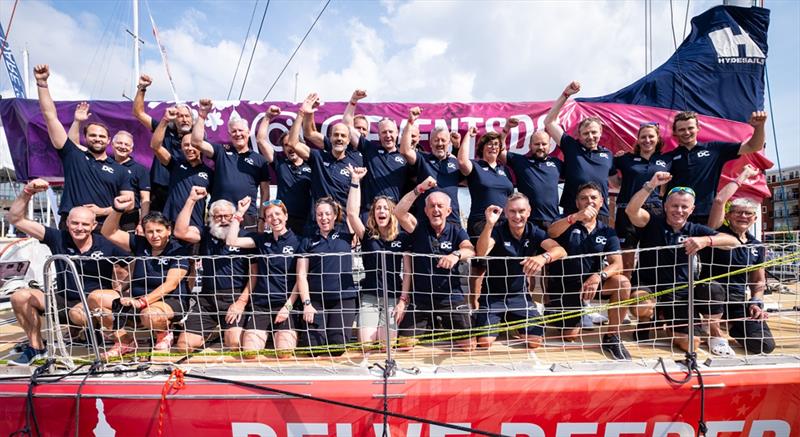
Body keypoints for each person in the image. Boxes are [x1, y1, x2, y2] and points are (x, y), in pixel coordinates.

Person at [7, 179, 126, 365]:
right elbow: (16, 219)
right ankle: (36, 348)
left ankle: (97, 333)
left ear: (94, 226)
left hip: (93, 304)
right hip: (63, 300)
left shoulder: (106, 242)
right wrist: (27, 192)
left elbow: (133, 262)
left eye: (85, 225)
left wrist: (124, 290)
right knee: (19, 297)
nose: (79, 228)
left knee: (79, 314)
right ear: (67, 223)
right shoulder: (57, 237)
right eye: (75, 223)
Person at [625, 171, 740, 352]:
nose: (679, 210)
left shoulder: (696, 229)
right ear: (665, 206)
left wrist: (705, 241)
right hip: (648, 285)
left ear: (691, 209)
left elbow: (733, 241)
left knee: (690, 345)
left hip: (680, 293)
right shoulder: (652, 222)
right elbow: (631, 210)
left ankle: (667, 320)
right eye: (675, 206)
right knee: (641, 306)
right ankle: (646, 321)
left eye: (684, 207)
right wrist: (651, 185)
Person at [34, 64, 133, 228]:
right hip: (71, 225)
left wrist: (101, 211)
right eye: (93, 135)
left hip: (105, 227)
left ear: (109, 140)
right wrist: (42, 84)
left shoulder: (121, 170)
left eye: (102, 136)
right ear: (85, 137)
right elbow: (50, 116)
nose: (97, 139)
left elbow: (129, 204)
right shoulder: (73, 156)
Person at [546, 182, 632, 360]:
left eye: (593, 198)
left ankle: (612, 337)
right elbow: (552, 232)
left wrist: (598, 275)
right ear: (577, 203)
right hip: (565, 286)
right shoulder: (566, 221)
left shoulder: (607, 231)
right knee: (569, 336)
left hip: (592, 284)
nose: (589, 202)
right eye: (584, 198)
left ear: (601, 202)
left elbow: (618, 264)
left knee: (622, 282)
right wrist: (575, 217)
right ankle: (571, 312)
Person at [98, 199, 191, 358]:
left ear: (168, 230)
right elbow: (108, 232)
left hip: (168, 301)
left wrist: (142, 302)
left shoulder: (178, 250)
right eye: (150, 231)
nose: (154, 236)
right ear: (144, 232)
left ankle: (164, 335)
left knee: (149, 314)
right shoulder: (140, 243)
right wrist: (117, 209)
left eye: (159, 230)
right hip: (136, 300)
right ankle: (125, 342)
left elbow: (171, 284)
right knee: (96, 299)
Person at [698, 165, 774, 355]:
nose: (743, 216)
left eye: (748, 213)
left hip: (738, 301)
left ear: (755, 218)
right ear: (729, 216)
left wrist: (756, 302)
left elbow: (758, 281)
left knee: (763, 346)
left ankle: (731, 325)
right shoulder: (717, 232)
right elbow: (718, 201)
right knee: (712, 288)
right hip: (709, 294)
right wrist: (744, 175)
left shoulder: (757, 246)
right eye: (738, 212)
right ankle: (714, 333)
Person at [394, 178, 477, 351]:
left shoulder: (456, 230)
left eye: (440, 206)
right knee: (404, 346)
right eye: (432, 206)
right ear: (425, 210)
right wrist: (419, 189)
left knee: (468, 346)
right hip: (422, 299)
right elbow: (399, 212)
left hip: (451, 298)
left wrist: (456, 255)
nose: (436, 210)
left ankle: (442, 324)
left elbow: (470, 250)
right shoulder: (418, 228)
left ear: (448, 210)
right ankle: (430, 325)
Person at [474, 194, 567, 349]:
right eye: (512, 211)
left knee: (534, 342)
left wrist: (542, 258)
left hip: (519, 297)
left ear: (529, 212)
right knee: (485, 343)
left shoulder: (534, 231)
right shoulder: (497, 231)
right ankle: (500, 320)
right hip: (493, 297)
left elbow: (561, 250)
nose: (517, 216)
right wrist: (489, 225)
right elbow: (481, 252)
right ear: (506, 212)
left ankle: (511, 320)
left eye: (521, 211)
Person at [172, 187, 255, 353]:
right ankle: (209, 340)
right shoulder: (205, 234)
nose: (223, 220)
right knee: (183, 346)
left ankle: (222, 335)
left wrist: (241, 303)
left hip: (235, 297)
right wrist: (191, 200)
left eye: (227, 216)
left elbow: (255, 275)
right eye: (218, 216)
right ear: (211, 218)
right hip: (207, 299)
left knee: (235, 344)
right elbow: (180, 232)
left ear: (235, 217)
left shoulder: (245, 236)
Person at [226, 196, 302, 357]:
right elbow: (231, 240)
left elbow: (300, 279)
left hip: (285, 306)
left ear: (286, 216)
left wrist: (288, 307)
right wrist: (239, 213)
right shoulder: (261, 239)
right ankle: (268, 336)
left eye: (277, 214)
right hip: (261, 305)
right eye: (269, 216)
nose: (274, 218)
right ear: (266, 220)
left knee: (284, 352)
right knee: (250, 353)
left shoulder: (298, 242)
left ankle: (286, 335)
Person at [665, 110, 767, 224]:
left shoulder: (714, 149)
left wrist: (760, 126)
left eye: (690, 128)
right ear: (675, 132)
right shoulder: (668, 157)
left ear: (698, 128)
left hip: (707, 216)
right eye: (681, 129)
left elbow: (753, 146)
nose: (687, 132)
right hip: (676, 216)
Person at [346, 165, 409, 345]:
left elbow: (408, 273)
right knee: (366, 343)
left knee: (385, 344)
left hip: (393, 297)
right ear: (373, 213)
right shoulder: (368, 236)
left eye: (385, 208)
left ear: (391, 213)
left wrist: (402, 301)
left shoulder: (402, 238)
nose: (381, 211)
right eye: (378, 208)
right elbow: (351, 213)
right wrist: (355, 181)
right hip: (370, 297)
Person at [69, 103, 151, 233]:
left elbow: (145, 199)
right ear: (111, 144)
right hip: (105, 218)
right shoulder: (101, 162)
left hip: (129, 219)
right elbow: (73, 146)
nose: (122, 147)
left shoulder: (140, 170)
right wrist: (77, 121)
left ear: (131, 148)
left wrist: (142, 223)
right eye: (119, 143)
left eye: (126, 145)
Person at [193, 99, 271, 229]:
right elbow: (196, 142)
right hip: (220, 214)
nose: (238, 134)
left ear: (248, 133)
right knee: (216, 249)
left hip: (247, 215)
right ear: (229, 135)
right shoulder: (221, 151)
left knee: (247, 249)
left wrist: (262, 218)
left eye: (241, 130)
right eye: (234, 131)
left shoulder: (260, 160)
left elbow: (265, 192)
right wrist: (202, 116)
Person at [295, 197, 358, 356]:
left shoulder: (346, 233)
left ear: (335, 215)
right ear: (315, 217)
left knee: (337, 348)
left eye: (328, 214)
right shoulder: (308, 240)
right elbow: (301, 275)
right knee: (313, 348)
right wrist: (307, 303)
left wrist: (355, 181)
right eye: (320, 214)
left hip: (343, 298)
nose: (324, 218)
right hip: (316, 300)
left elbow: (352, 211)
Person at [544, 81, 614, 220]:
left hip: (600, 214)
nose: (590, 137)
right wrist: (566, 94)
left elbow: (615, 184)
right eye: (586, 133)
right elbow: (549, 122)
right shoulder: (571, 146)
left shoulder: (608, 155)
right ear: (579, 135)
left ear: (600, 133)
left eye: (594, 132)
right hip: (572, 211)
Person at [608, 122, 671, 275]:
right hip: (626, 209)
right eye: (643, 137)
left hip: (654, 212)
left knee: (650, 258)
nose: (647, 140)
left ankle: (644, 293)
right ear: (637, 139)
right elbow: (614, 181)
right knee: (626, 261)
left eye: (651, 136)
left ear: (658, 139)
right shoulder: (624, 159)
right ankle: (624, 295)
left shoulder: (668, 160)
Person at [288, 94, 363, 211]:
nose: (339, 138)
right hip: (317, 222)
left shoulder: (358, 160)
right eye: (336, 135)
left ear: (348, 140)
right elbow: (293, 143)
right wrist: (302, 113)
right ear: (330, 138)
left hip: (343, 223)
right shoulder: (318, 157)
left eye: (343, 136)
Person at [132, 74, 193, 213]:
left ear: (192, 119)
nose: (183, 119)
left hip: (184, 189)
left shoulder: (198, 139)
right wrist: (142, 88)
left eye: (187, 116)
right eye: (179, 115)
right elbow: (138, 113)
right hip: (159, 189)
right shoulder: (163, 128)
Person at [338, 89, 409, 207]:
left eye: (391, 131)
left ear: (397, 133)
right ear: (379, 135)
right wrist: (353, 101)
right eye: (384, 132)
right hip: (369, 213)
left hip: (394, 214)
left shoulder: (406, 155)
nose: (388, 135)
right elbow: (347, 127)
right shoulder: (370, 149)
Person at [151, 107, 213, 232]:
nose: (189, 148)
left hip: (194, 227)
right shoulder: (175, 164)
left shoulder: (210, 173)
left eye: (192, 145)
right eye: (185, 145)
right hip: (169, 224)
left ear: (200, 147)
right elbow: (155, 146)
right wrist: (165, 120)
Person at [399, 107, 463, 224]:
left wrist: (457, 148)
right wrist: (410, 122)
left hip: (452, 222)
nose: (439, 143)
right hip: (426, 222)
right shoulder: (422, 159)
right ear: (430, 143)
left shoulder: (455, 162)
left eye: (443, 140)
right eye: (436, 140)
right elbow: (405, 150)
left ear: (449, 143)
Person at [255, 105, 312, 235]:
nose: (290, 148)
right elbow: (260, 140)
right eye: (286, 145)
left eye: (292, 144)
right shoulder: (279, 163)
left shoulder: (313, 165)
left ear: (301, 145)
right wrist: (267, 117)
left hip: (308, 221)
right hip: (284, 222)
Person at [499, 119, 562, 230]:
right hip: (528, 222)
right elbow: (500, 151)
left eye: (544, 144)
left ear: (549, 145)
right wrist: (506, 129)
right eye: (537, 144)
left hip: (553, 221)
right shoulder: (520, 161)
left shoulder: (557, 163)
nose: (541, 147)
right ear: (530, 146)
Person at [457, 126, 514, 238]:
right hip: (481, 223)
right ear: (482, 148)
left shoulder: (504, 169)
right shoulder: (475, 166)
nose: (493, 147)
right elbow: (462, 161)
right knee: (483, 255)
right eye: (489, 144)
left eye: (496, 144)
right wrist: (468, 135)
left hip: (504, 224)